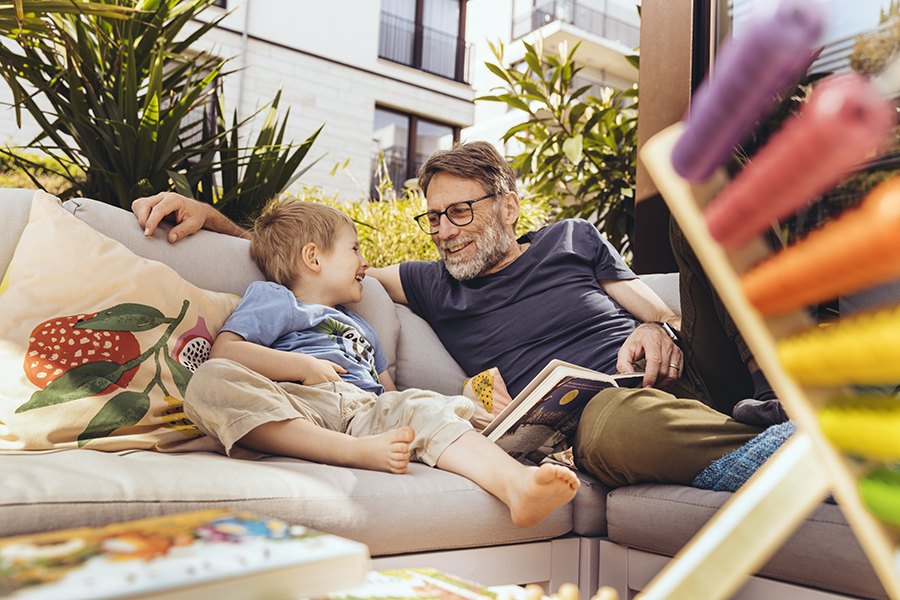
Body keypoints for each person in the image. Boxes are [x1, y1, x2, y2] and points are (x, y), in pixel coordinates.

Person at [133, 141, 789, 490]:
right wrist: (219, 222)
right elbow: (313, 261)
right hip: (618, 412)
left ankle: (784, 401)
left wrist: (652, 327)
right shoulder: (428, 283)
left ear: (507, 205)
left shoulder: (573, 238)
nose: (444, 231)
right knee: (611, 426)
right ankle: (793, 454)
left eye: (461, 212)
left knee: (704, 194)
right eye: (434, 217)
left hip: (693, 371)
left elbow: (655, 309)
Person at [183, 197, 580, 529]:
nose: (365, 262)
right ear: (312, 258)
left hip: (364, 412)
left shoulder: (362, 326)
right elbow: (226, 353)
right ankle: (348, 452)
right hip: (298, 402)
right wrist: (302, 368)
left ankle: (515, 485)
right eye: (354, 248)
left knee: (420, 406)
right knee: (210, 381)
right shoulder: (276, 299)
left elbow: (388, 393)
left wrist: (421, 412)